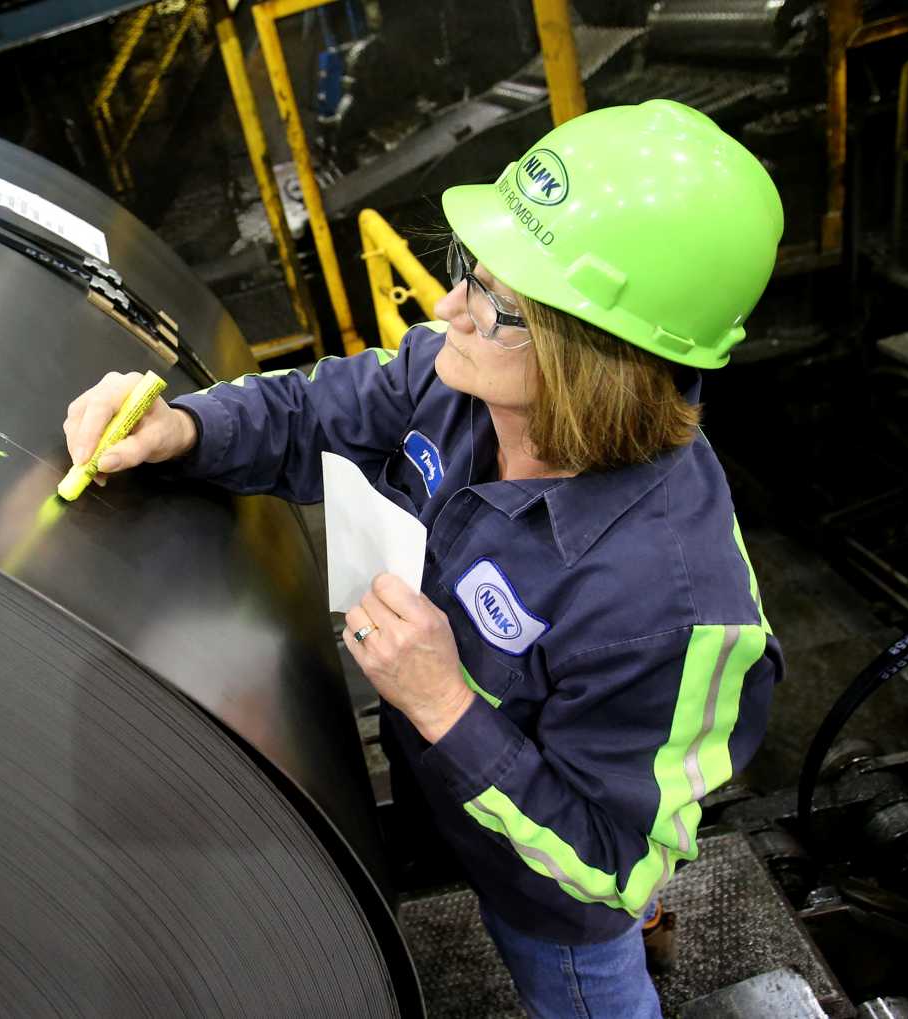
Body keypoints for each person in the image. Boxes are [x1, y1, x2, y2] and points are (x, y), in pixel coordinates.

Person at [62, 99, 784, 1018]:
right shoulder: (465, 382)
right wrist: (184, 424)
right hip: (449, 800)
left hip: (547, 899)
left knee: (585, 981)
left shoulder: (675, 612)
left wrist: (444, 704)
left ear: (596, 356)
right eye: (469, 275)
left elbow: (606, 865)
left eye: (497, 303)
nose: (449, 310)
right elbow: (313, 411)